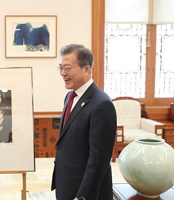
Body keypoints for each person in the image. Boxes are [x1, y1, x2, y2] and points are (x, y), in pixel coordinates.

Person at [51, 44, 117, 200]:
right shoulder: (70, 97)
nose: (62, 73)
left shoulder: (102, 104)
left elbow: (99, 159)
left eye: (67, 68)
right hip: (66, 183)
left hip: (85, 190)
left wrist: (83, 196)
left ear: (86, 69)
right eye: (60, 68)